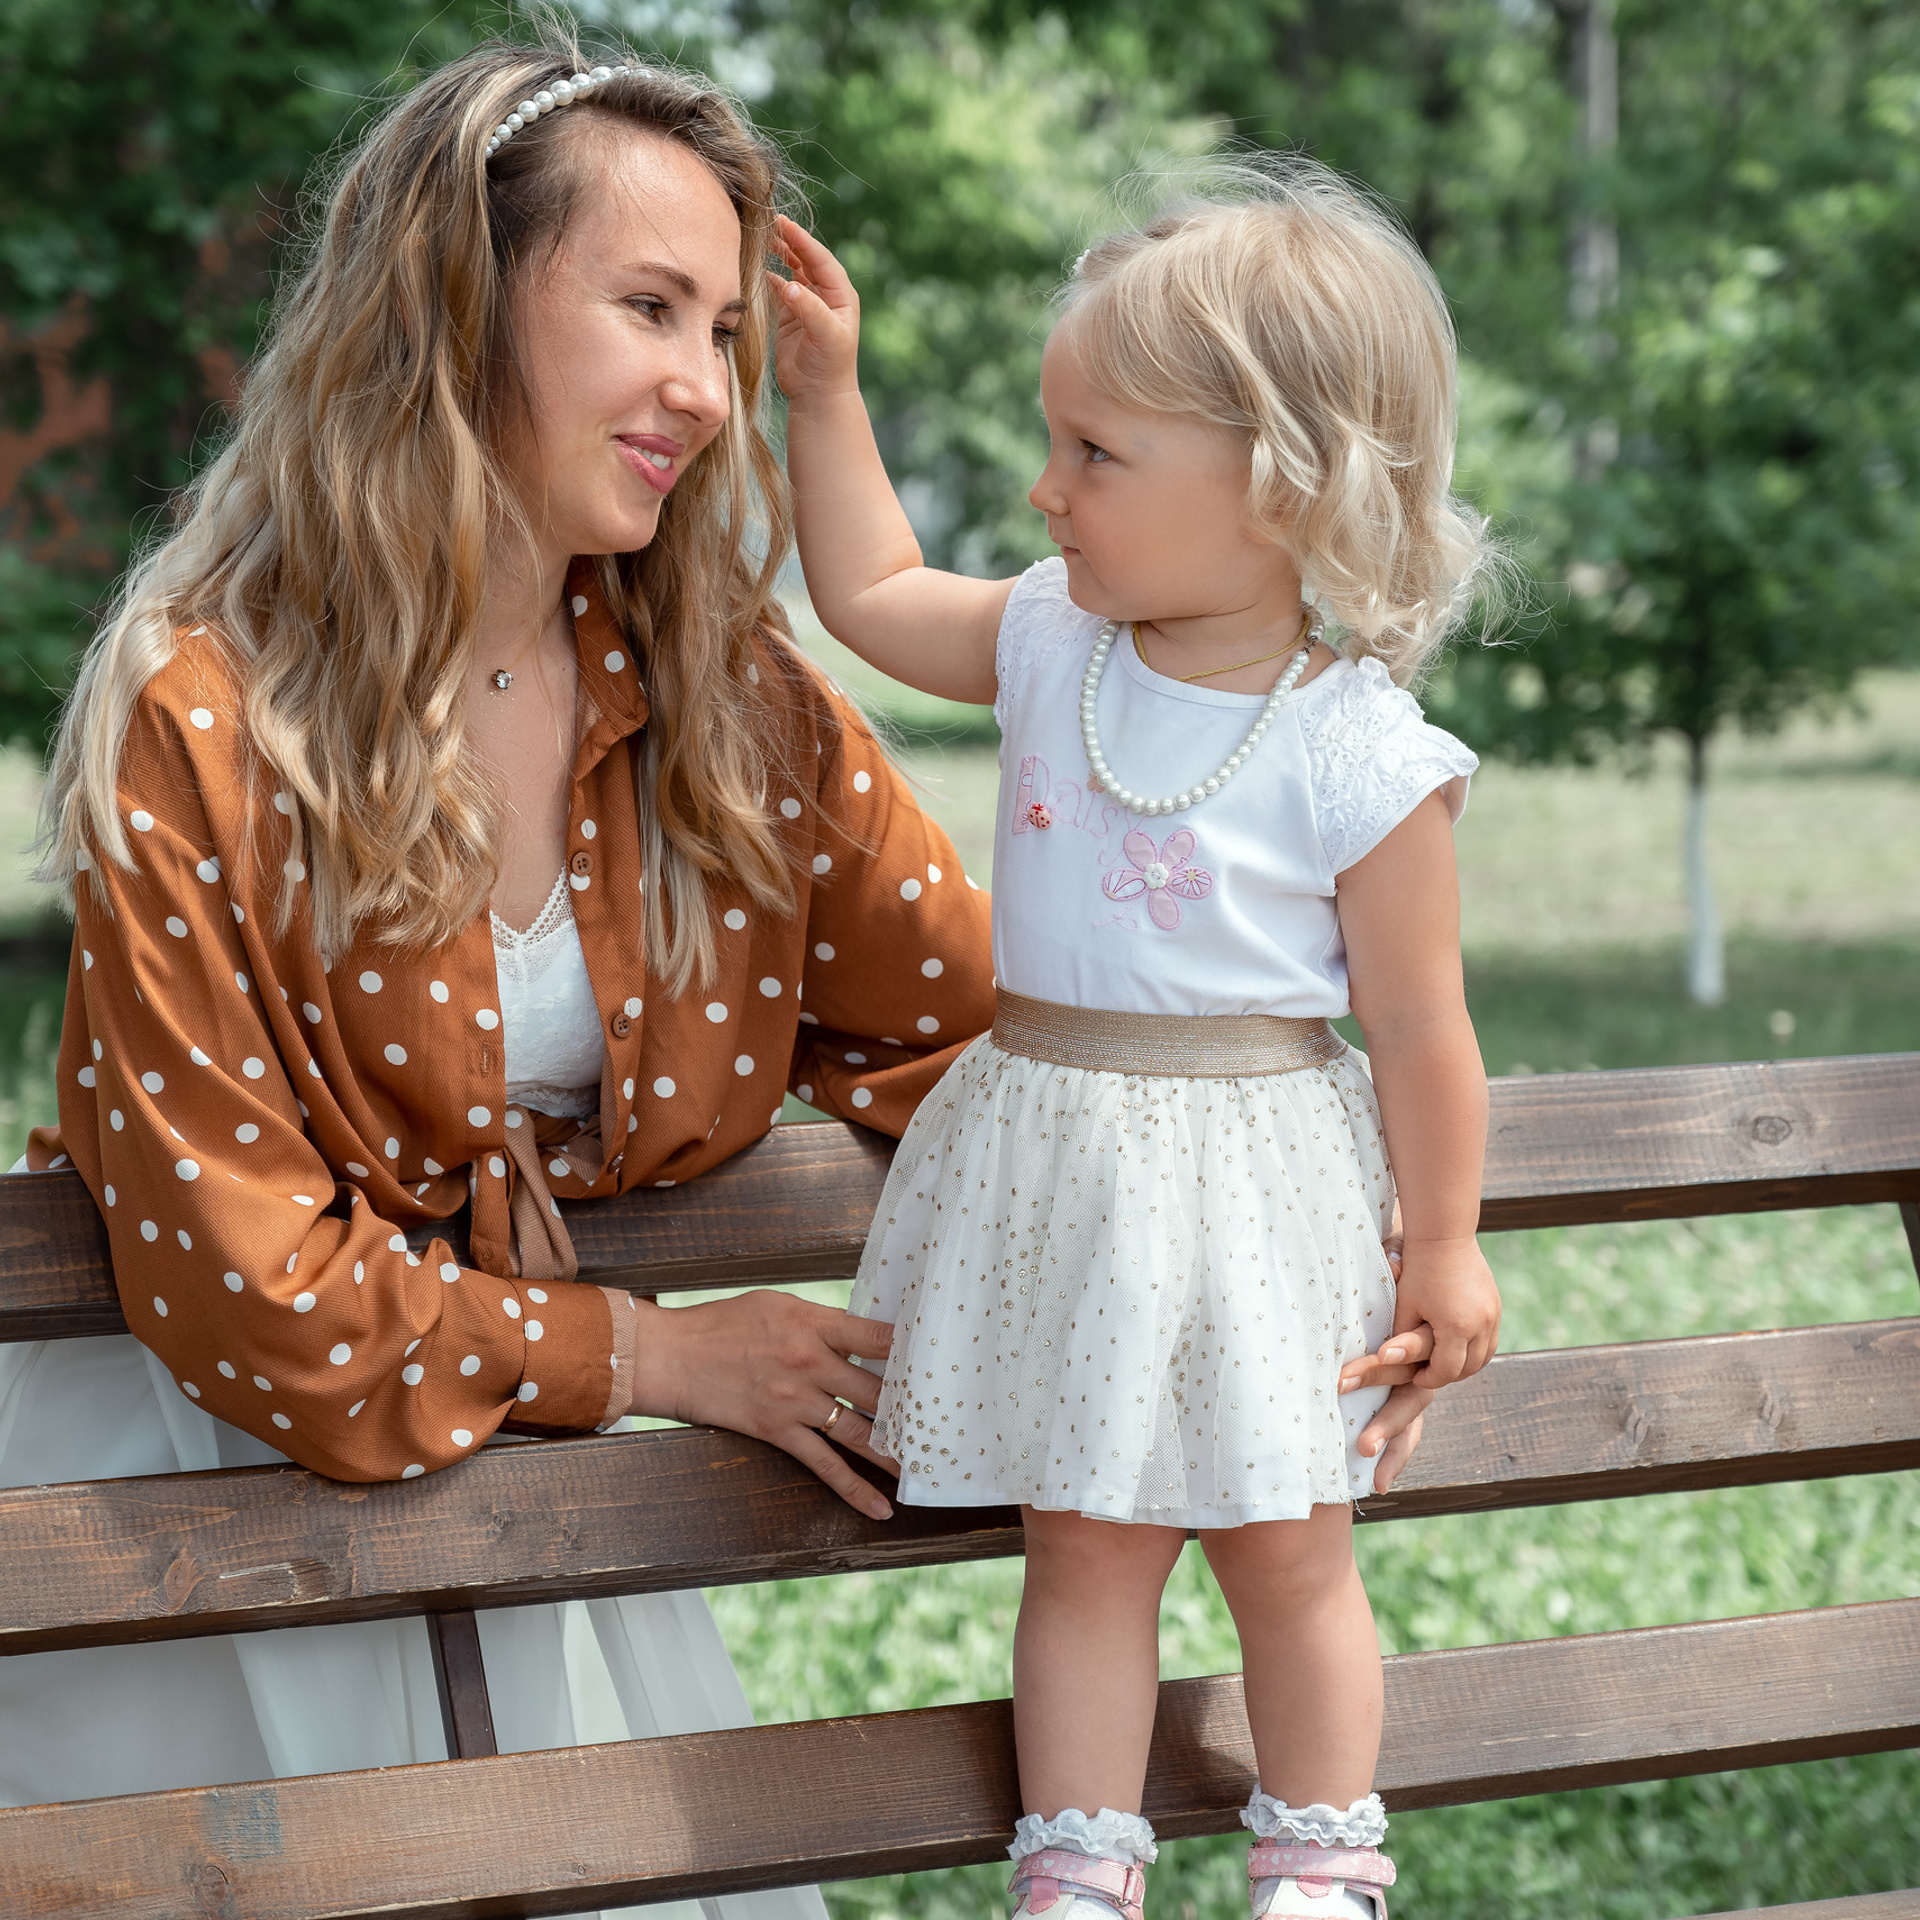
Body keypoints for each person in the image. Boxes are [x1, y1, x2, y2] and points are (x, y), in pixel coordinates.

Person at [4, 38, 991, 1918]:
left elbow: (966, 1031)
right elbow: (255, 1287)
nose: (706, 392)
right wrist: (650, 1352)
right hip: (190, 1534)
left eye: (724, 332)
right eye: (648, 310)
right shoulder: (206, 709)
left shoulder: (731, 702)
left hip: (524, 1521)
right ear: (462, 303)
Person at [772, 161, 1503, 1920]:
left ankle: (1322, 1859)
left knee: (1289, 1554)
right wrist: (825, 394)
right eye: (1057, 441)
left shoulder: (1357, 748)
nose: (1048, 489)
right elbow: (868, 590)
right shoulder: (1047, 638)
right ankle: (1078, 1867)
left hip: (1257, 1182)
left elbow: (1420, 1028)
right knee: (1083, 1552)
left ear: (1282, 480)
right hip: (1067, 1173)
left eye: (1097, 454)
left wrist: (1450, 1240)